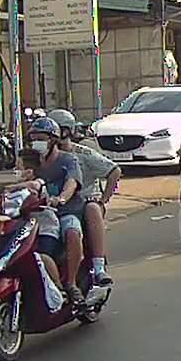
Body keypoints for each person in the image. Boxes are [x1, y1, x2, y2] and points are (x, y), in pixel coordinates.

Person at [48, 109, 118, 286]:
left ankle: (98, 268)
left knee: (92, 209)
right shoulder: (42, 157)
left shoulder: (79, 155)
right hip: (51, 205)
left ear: (66, 131)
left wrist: (103, 200)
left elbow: (114, 171)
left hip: (83, 202)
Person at [22, 117, 87, 305]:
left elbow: (72, 182)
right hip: (38, 214)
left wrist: (61, 198)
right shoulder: (31, 161)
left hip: (65, 211)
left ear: (53, 140)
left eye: (40, 138)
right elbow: (20, 183)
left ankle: (71, 284)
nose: (36, 143)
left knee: (72, 232)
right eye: (33, 138)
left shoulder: (68, 160)